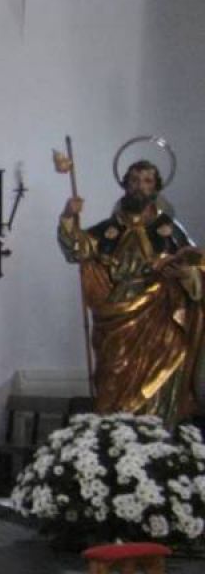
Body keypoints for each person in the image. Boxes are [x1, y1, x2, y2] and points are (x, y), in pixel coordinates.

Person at [58, 159, 204, 424]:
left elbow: (196, 266)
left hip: (161, 313)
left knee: (160, 377)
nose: (140, 187)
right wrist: (69, 216)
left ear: (156, 187)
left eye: (147, 181)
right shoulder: (110, 229)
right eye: (135, 180)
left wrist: (185, 274)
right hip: (118, 313)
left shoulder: (170, 229)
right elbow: (77, 250)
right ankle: (114, 441)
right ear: (125, 184)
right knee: (113, 372)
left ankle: (157, 441)